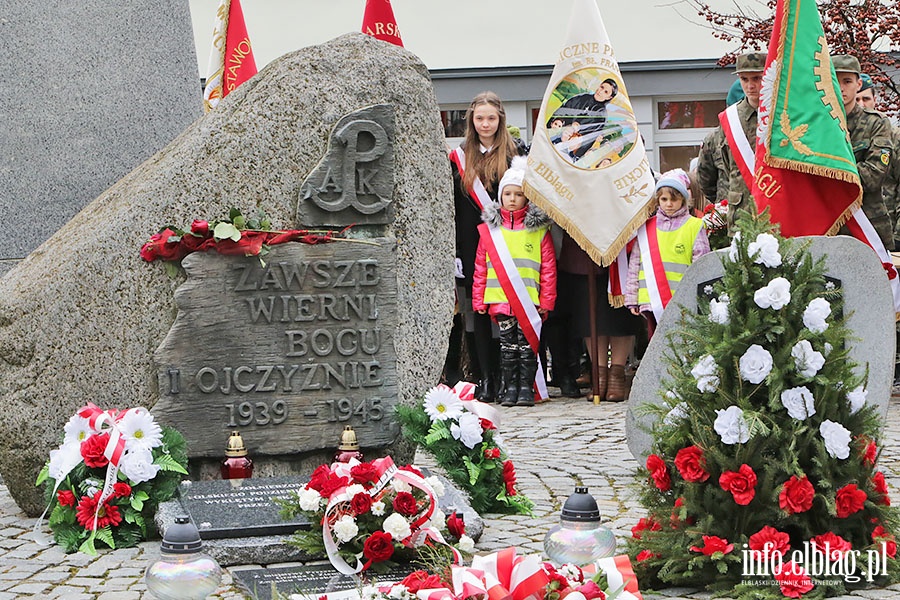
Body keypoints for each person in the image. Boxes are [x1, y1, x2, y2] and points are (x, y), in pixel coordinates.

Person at [447, 91, 521, 402]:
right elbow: (454, 206)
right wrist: (456, 250)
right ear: (472, 122)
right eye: (480, 118)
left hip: (507, 245)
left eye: (491, 118)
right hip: (472, 246)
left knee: (504, 312)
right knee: (475, 313)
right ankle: (483, 376)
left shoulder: (515, 155)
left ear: (500, 119)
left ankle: (508, 377)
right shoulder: (461, 157)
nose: (485, 124)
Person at [472, 156, 557, 407]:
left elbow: (548, 269)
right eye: (507, 193)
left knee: (527, 346)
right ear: (500, 196)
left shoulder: (539, 231)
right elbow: (480, 269)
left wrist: (547, 301)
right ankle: (509, 388)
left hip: (529, 301)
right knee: (507, 346)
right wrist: (479, 299)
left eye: (518, 194)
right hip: (500, 300)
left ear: (526, 198)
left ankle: (525, 389)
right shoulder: (490, 232)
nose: (512, 198)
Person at [624, 169, 710, 337]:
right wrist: (632, 298)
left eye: (674, 199)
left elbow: (701, 265)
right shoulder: (646, 227)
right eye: (664, 199)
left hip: (682, 300)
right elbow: (635, 264)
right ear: (658, 200)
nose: (669, 204)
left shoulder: (694, 226)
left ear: (684, 200)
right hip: (651, 299)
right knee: (655, 342)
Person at [696, 52, 766, 229]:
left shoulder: (782, 114)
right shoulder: (731, 119)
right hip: (740, 213)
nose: (750, 86)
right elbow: (713, 174)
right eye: (744, 79)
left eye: (757, 78)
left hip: (776, 210)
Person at [831, 55, 894, 251]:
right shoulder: (815, 127)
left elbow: (873, 176)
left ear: (858, 84)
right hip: (828, 227)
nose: (841, 87)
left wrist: (828, 173)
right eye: (835, 80)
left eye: (847, 81)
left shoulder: (876, 123)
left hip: (868, 226)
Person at [547, 78, 619, 161]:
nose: (600, 91)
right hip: (555, 138)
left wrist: (577, 130)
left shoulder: (601, 116)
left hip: (568, 150)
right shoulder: (582, 98)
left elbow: (590, 137)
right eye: (602, 87)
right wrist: (560, 121)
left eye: (606, 92)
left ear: (609, 97)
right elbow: (563, 110)